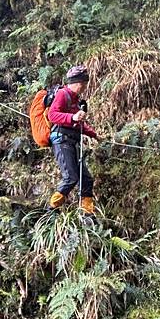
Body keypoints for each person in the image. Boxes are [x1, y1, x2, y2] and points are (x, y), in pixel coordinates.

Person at [47, 65, 101, 219]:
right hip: (62, 140)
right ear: (78, 83)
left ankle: (87, 213)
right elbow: (52, 115)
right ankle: (51, 210)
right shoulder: (63, 94)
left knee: (86, 179)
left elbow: (79, 123)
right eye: (84, 84)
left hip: (73, 141)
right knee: (71, 177)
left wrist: (93, 134)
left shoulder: (76, 100)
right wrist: (72, 117)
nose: (84, 87)